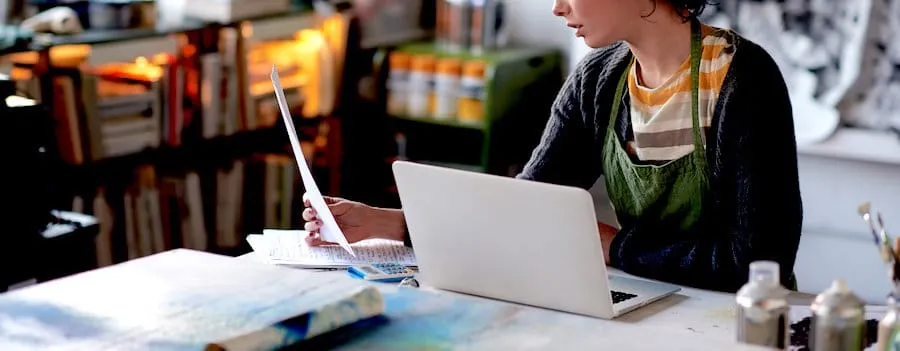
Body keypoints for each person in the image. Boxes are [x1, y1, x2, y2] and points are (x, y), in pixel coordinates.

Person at [302, 0, 803, 293]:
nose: (558, 6)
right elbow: (524, 209)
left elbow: (758, 265)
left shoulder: (744, 80)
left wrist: (615, 246)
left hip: (739, 327)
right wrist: (389, 223)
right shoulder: (598, 82)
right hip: (652, 304)